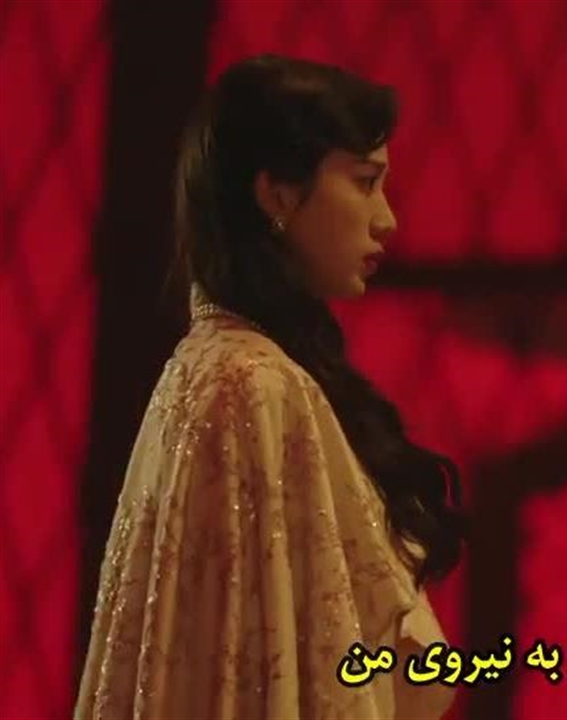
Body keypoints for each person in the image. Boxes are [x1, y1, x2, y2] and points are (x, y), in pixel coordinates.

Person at [75, 54, 463, 720]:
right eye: (365, 182)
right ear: (277, 193)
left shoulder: (212, 367)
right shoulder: (251, 384)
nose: (386, 220)